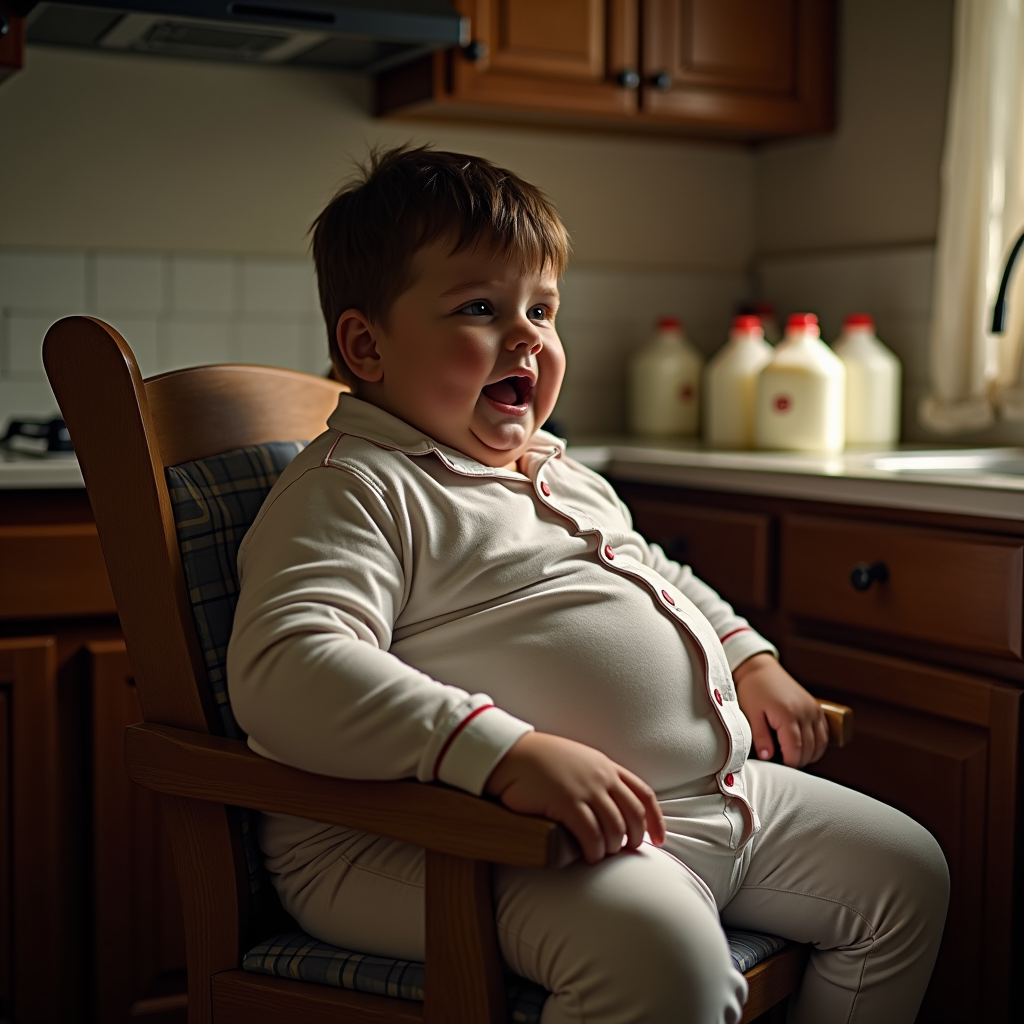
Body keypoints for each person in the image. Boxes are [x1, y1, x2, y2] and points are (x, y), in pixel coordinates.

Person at [226, 145, 949, 1024]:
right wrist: (503, 752)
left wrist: (745, 656)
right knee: (665, 969)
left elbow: (658, 574)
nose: (527, 335)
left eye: (542, 309)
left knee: (905, 872)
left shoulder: (553, 471)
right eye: (482, 308)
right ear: (366, 344)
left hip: (696, 797)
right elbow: (288, 665)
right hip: (451, 843)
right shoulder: (358, 485)